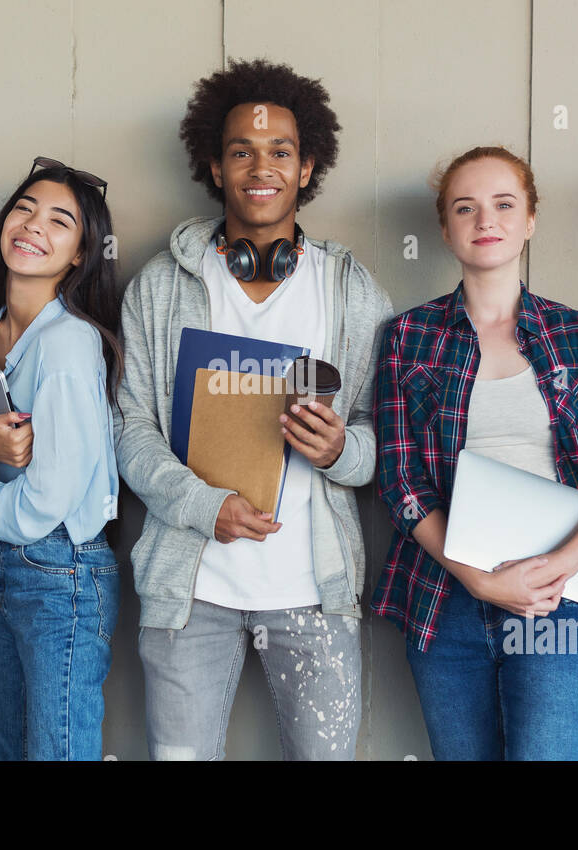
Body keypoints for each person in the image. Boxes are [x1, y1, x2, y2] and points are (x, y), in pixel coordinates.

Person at [116, 58, 394, 760]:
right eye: (241, 150)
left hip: (314, 590)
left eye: (280, 152)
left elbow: (383, 440)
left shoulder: (351, 291)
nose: (260, 167)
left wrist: (339, 451)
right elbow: (130, 432)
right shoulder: (158, 287)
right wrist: (203, 506)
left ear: (307, 168)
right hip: (190, 587)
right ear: (215, 166)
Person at [373, 146, 578, 760]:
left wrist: (558, 565)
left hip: (560, 598)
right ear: (445, 227)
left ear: (529, 220)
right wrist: (478, 580)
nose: (485, 221)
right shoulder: (407, 338)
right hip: (445, 597)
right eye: (465, 208)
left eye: (504, 204)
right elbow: (400, 479)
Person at [0, 158, 124, 761]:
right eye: (24, 209)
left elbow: (45, 501)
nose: (34, 225)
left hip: (64, 568)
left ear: (81, 255)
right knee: (6, 746)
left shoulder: (68, 343)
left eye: (60, 221)